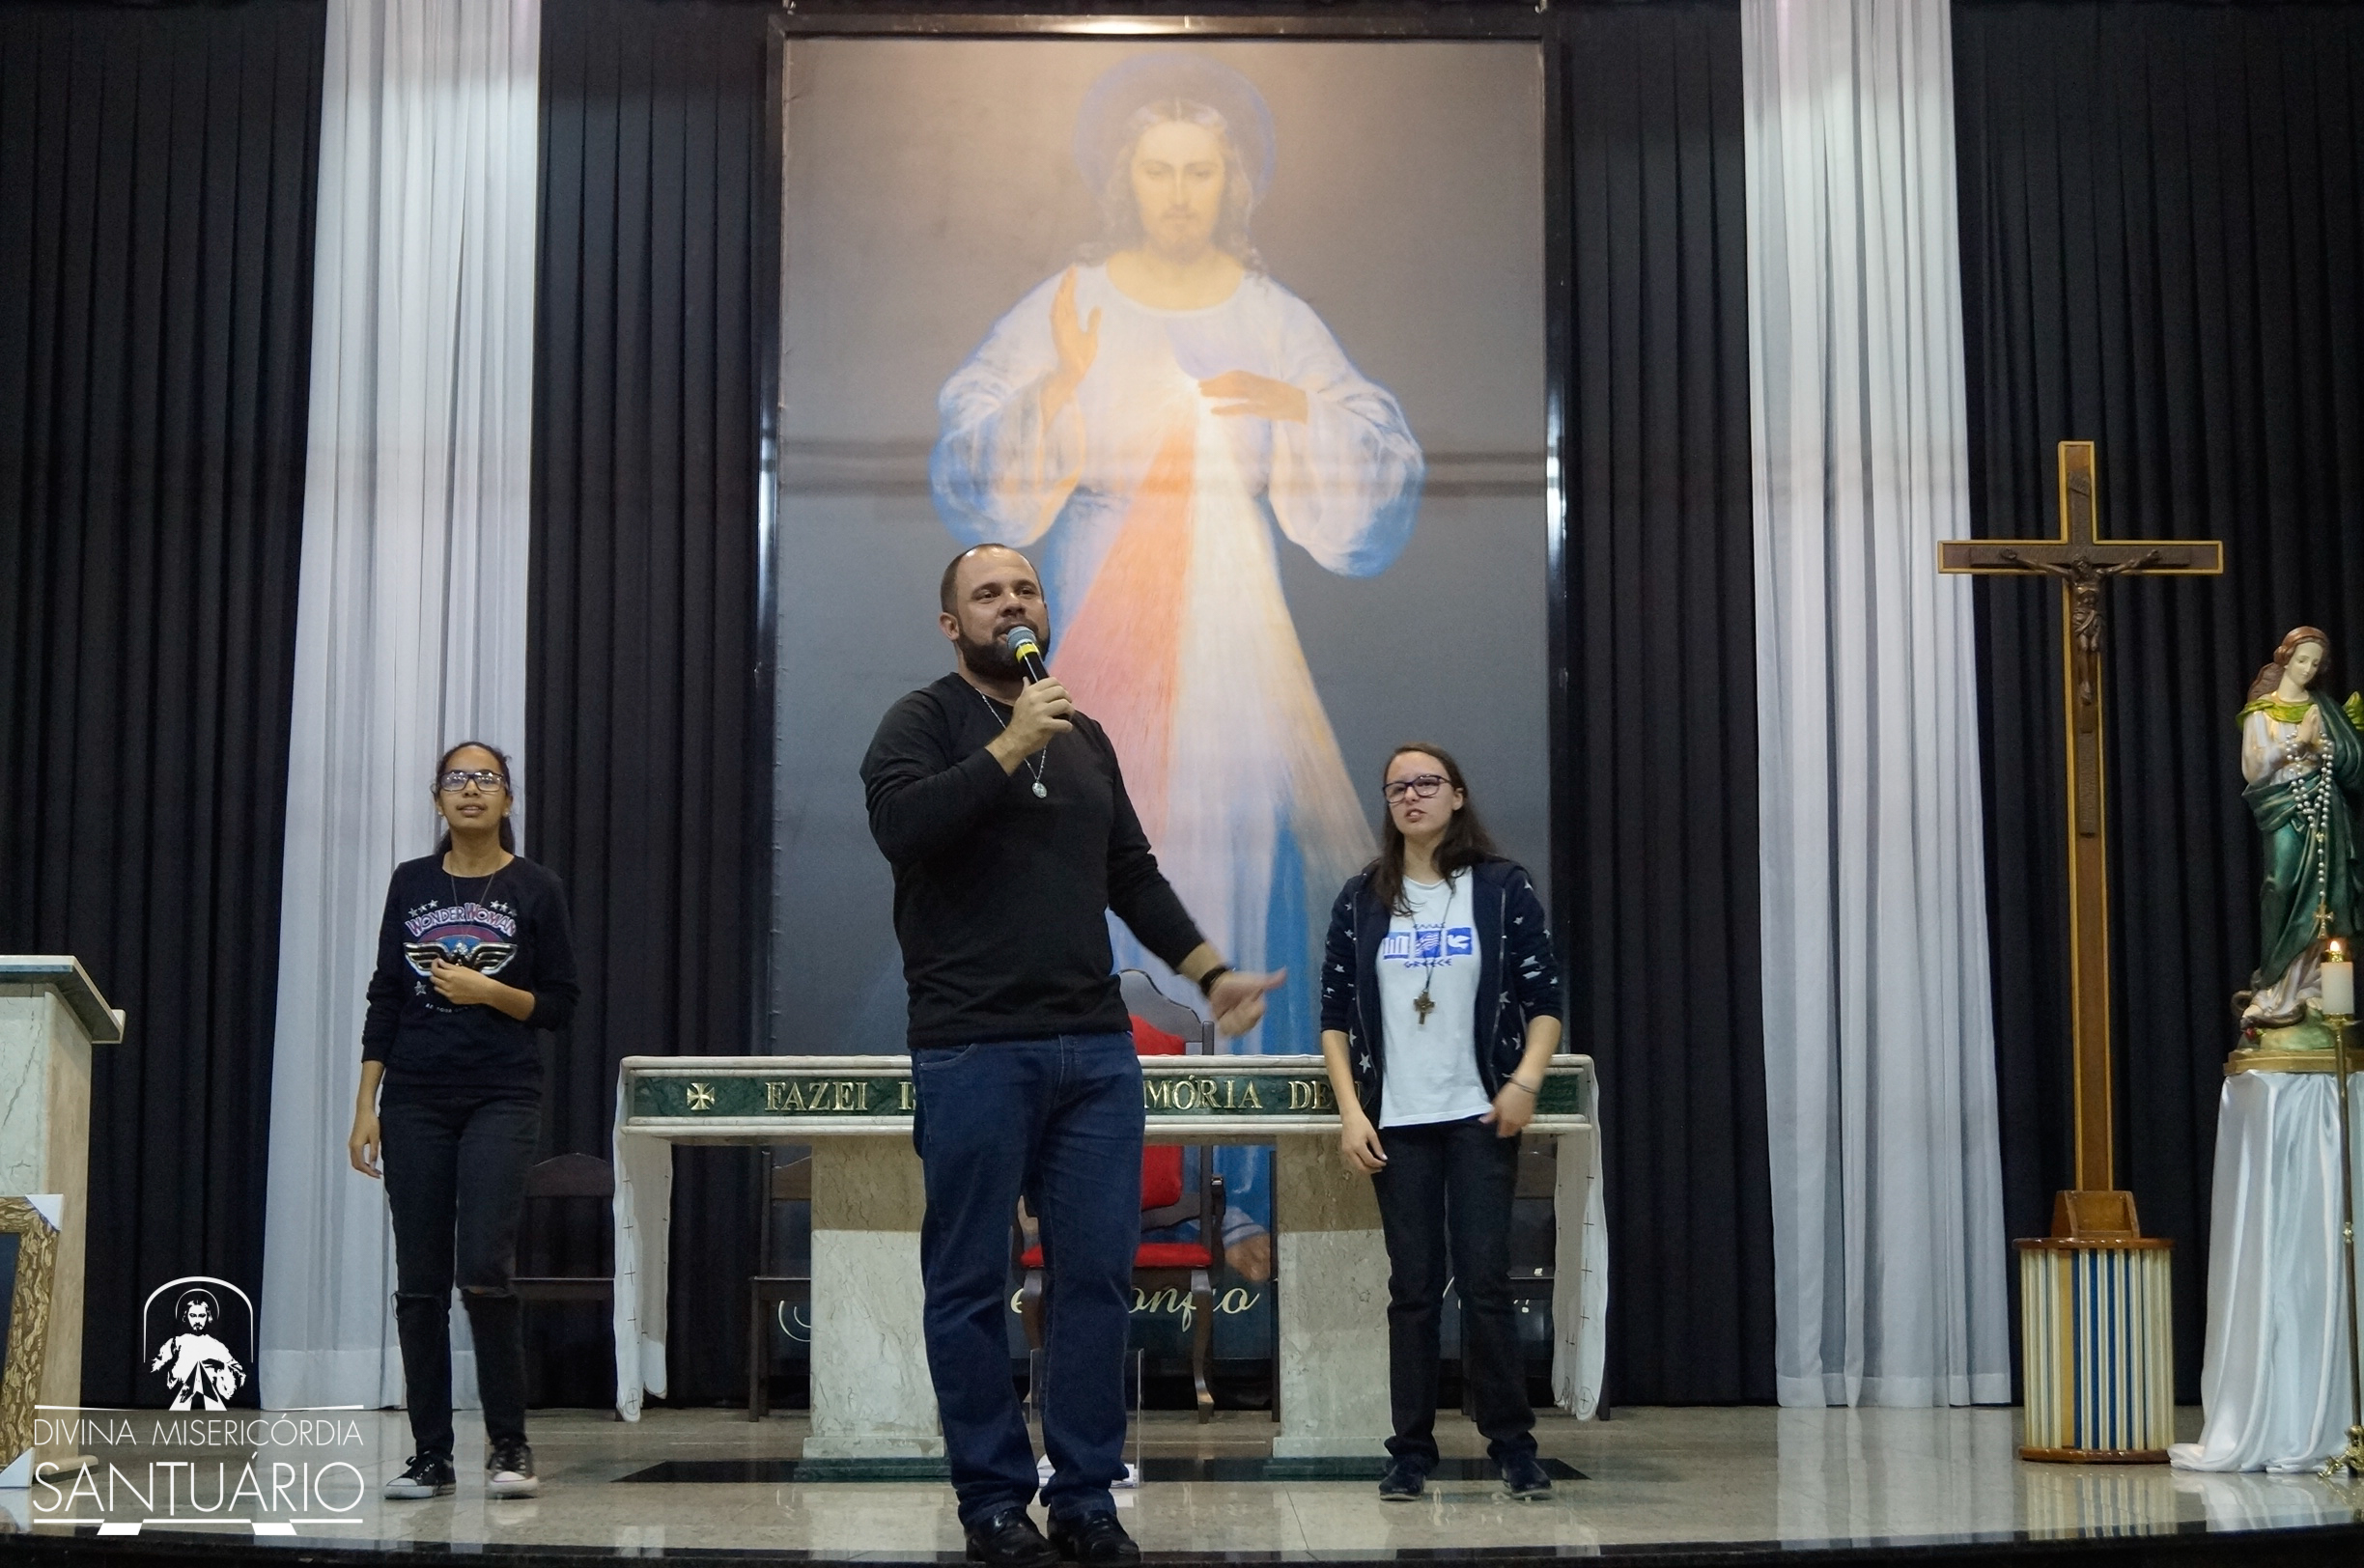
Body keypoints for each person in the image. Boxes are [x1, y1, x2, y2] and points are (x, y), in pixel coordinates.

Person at [932, 51, 1423, 1054]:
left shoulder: (1270, 314)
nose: (1180, 193)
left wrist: (1293, 407)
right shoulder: (1075, 299)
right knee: (1091, 819)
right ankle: (1096, 1076)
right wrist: (1058, 386)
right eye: (1159, 170)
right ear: (1127, 179)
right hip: (1102, 591)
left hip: (1232, 619)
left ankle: (1228, 1110)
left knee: (1230, 830)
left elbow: (1378, 457)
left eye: (1200, 171)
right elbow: (971, 447)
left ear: (1231, 182)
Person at [862, 543, 1281, 1567]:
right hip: (972, 1044)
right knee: (970, 1283)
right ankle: (992, 1503)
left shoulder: (1083, 735)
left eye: (1026, 589)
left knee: (1095, 1280)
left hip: (1095, 1052)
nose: (1012, 603)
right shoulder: (923, 721)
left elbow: (1129, 872)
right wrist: (1010, 745)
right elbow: (902, 827)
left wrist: (1209, 970)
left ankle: (1087, 1497)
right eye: (987, 594)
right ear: (952, 623)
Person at [1316, 743, 1563, 1502]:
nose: (1411, 796)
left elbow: (1546, 1002)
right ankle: (1410, 1452)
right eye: (1397, 787)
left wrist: (1524, 1082)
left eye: (1426, 783)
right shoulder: (1362, 898)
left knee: (1486, 1282)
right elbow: (1333, 1018)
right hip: (1397, 1120)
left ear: (1457, 795)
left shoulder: (1501, 888)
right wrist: (1351, 1112)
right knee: (1414, 1288)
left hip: (1479, 1114)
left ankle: (1513, 1446)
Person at [348, 742, 578, 1501]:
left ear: (508, 798)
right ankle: (430, 1456)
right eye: (457, 779)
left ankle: (509, 1446)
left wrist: (488, 993)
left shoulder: (536, 887)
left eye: (486, 779)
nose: (471, 789)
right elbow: (387, 993)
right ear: (438, 798)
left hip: (501, 1095)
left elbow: (560, 1004)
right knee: (419, 1282)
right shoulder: (411, 882)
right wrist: (366, 1104)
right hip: (413, 1098)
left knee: (483, 1270)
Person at [2236, 627, 2364, 1029]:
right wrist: (2298, 742)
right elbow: (2254, 768)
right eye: (2302, 659)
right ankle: (2274, 987)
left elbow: (2351, 759)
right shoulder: (2262, 711)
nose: (2308, 669)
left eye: (2315, 663)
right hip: (2283, 805)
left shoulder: (2325, 709)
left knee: (2326, 895)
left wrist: (2328, 748)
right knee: (2280, 885)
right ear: (2285, 658)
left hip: (2326, 808)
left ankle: (2311, 988)